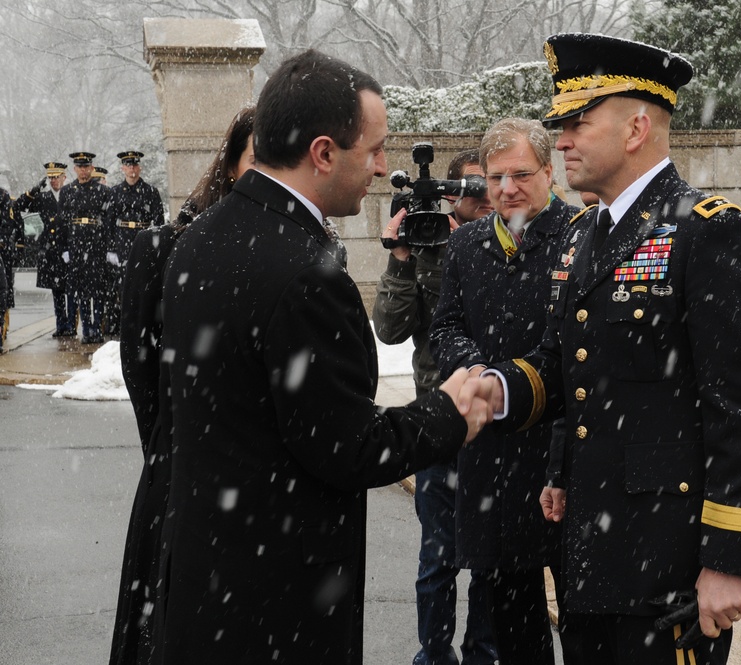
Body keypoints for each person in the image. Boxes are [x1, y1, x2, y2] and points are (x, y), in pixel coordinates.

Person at [150, 50, 494, 664]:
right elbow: (348, 446)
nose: (386, 169)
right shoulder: (303, 271)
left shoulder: (202, 236)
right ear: (324, 153)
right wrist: (447, 412)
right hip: (276, 606)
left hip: (205, 583)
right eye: (375, 149)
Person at [480, 34, 741, 665]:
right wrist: (501, 394)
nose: (560, 140)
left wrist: (729, 560)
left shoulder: (708, 231)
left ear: (637, 128)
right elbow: (571, 370)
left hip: (668, 564)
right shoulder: (582, 236)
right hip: (593, 552)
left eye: (577, 123)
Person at [429, 118, 580, 665]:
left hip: (561, 460)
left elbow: (578, 363)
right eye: (495, 178)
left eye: (521, 174)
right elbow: (443, 327)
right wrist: (473, 369)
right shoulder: (468, 243)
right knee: (514, 630)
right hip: (491, 460)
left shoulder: (582, 236)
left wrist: (559, 463)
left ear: (549, 170)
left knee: (584, 625)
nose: (506, 189)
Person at [109, 106, 255, 665]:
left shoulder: (308, 254)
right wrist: (176, 449)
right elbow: (142, 371)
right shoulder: (163, 251)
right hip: (180, 482)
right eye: (256, 159)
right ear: (229, 165)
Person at [371, 148, 496, 665]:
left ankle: (483, 653)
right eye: (470, 188)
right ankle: (434, 654)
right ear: (450, 193)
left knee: (491, 560)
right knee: (437, 558)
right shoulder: (425, 248)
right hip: (438, 423)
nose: (482, 197)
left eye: (486, 185)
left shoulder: (505, 244)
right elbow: (389, 327)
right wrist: (401, 257)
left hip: (494, 421)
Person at [102, 150, 165, 336]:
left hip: (143, 239)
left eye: (135, 165)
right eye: (128, 165)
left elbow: (159, 222)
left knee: (143, 284)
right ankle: (125, 325)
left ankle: (143, 324)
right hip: (122, 242)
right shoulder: (115, 192)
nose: (132, 169)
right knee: (123, 286)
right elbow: (109, 223)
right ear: (122, 168)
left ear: (140, 167)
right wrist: (111, 249)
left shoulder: (151, 192)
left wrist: (157, 247)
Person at [15, 162, 76, 337]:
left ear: (64, 177)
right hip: (51, 249)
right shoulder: (43, 198)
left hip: (68, 246)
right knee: (57, 290)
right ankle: (61, 325)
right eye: (50, 178)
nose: (53, 180)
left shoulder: (72, 194)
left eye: (56, 177)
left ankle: (71, 325)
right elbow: (19, 206)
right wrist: (32, 192)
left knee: (71, 289)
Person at [58, 151, 111, 343]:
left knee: (97, 289)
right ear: (75, 169)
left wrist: (108, 248)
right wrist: (64, 248)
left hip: (96, 245)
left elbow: (108, 222)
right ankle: (86, 328)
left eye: (86, 166)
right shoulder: (67, 191)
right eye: (80, 167)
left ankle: (97, 327)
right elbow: (63, 223)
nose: (83, 170)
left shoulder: (104, 191)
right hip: (75, 245)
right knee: (80, 290)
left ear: (92, 168)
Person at [0, 186, 24, 351]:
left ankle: (2, 326)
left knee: (4, 289)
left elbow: (10, 223)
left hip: (2, 251)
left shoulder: (3, 196)